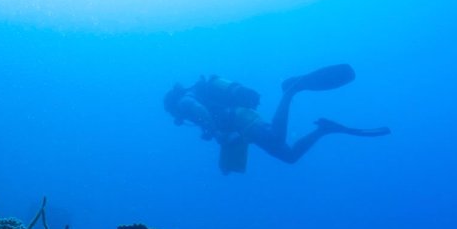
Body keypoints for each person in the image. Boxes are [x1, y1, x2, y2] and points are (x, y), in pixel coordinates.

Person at [163, 64, 390, 174]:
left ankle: (290, 91)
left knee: (276, 137)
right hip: (241, 123)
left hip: (241, 120)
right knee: (289, 156)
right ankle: (323, 129)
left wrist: (217, 133)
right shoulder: (193, 96)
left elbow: (199, 111)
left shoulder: (184, 102)